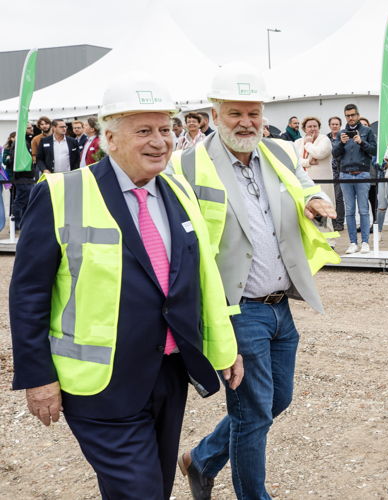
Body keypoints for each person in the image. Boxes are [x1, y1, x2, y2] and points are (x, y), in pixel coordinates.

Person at [9, 73, 242, 500]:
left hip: (168, 372)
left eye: (166, 129)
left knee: (152, 484)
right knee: (143, 492)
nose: (161, 141)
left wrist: (224, 346)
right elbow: (28, 294)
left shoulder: (177, 190)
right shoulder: (62, 193)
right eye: (144, 131)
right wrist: (37, 376)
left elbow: (203, 275)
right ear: (110, 138)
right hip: (99, 383)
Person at [172, 63, 337, 500]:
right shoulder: (187, 164)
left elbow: (303, 183)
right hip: (236, 307)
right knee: (252, 415)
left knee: (275, 400)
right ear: (215, 112)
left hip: (281, 305)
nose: (246, 123)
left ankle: (202, 458)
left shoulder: (280, 151)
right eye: (235, 114)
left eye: (253, 113)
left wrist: (315, 199)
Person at [332, 103, 377, 254]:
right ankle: (353, 242)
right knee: (349, 210)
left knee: (363, 209)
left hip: (362, 173)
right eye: (348, 115)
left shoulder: (367, 131)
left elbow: (374, 150)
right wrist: (341, 143)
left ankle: (365, 241)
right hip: (345, 174)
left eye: (353, 115)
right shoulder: (341, 133)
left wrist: (361, 142)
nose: (350, 118)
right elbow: (335, 153)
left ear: (358, 115)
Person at [294, 116, 336, 246]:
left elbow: (319, 153)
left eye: (315, 126)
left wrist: (308, 144)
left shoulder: (324, 140)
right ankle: (313, 241)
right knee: (308, 212)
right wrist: (307, 162)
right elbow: (295, 160)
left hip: (323, 182)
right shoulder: (297, 142)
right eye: (309, 126)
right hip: (305, 183)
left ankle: (330, 242)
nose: (312, 129)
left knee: (325, 211)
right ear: (304, 129)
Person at [327, 116, 344, 231]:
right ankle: (331, 221)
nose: (334, 126)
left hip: (339, 171)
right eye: (332, 124)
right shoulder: (325, 138)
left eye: (337, 124)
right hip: (328, 172)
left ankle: (339, 222)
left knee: (338, 198)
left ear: (340, 125)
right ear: (329, 126)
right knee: (328, 198)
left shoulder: (343, 137)